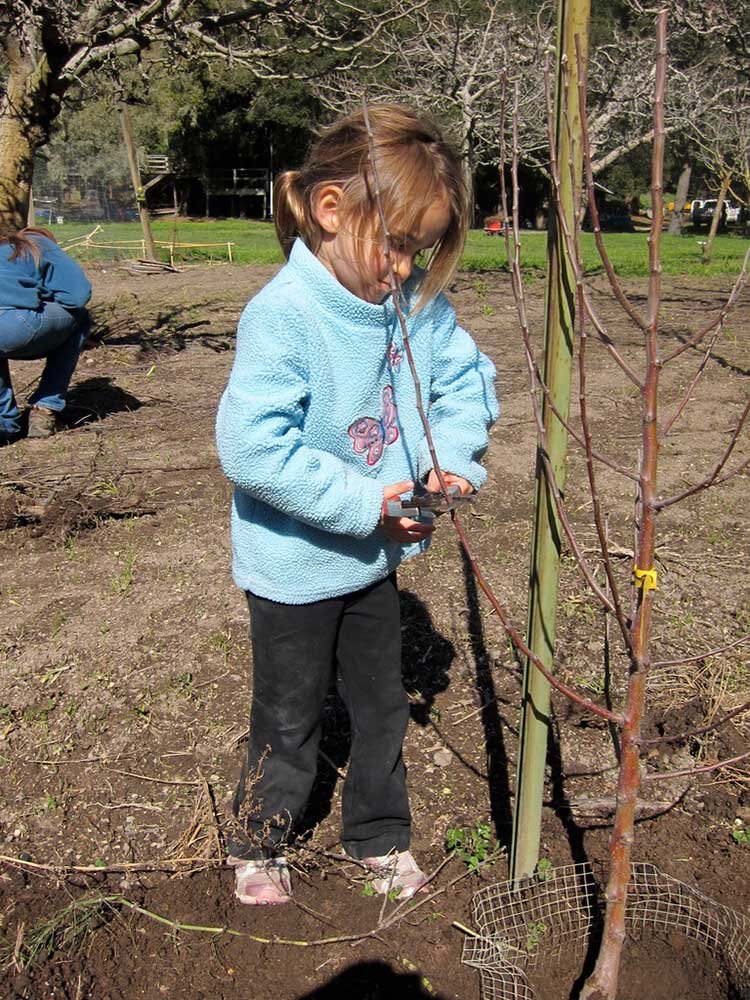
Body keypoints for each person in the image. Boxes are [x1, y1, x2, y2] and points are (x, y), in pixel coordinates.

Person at [216, 104, 499, 906]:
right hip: (293, 568)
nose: (405, 267)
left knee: (380, 706)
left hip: (371, 562)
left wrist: (449, 456)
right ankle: (262, 839)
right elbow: (253, 450)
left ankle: (378, 833)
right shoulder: (285, 315)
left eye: (421, 249)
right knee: (288, 712)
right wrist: (366, 502)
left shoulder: (410, 308)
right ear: (332, 210)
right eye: (398, 243)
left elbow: (467, 381)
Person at [0, 225, 91, 443]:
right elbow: (79, 294)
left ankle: (4, 423)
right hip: (14, 327)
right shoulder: (37, 242)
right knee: (81, 317)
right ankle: (45, 409)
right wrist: (43, 293)